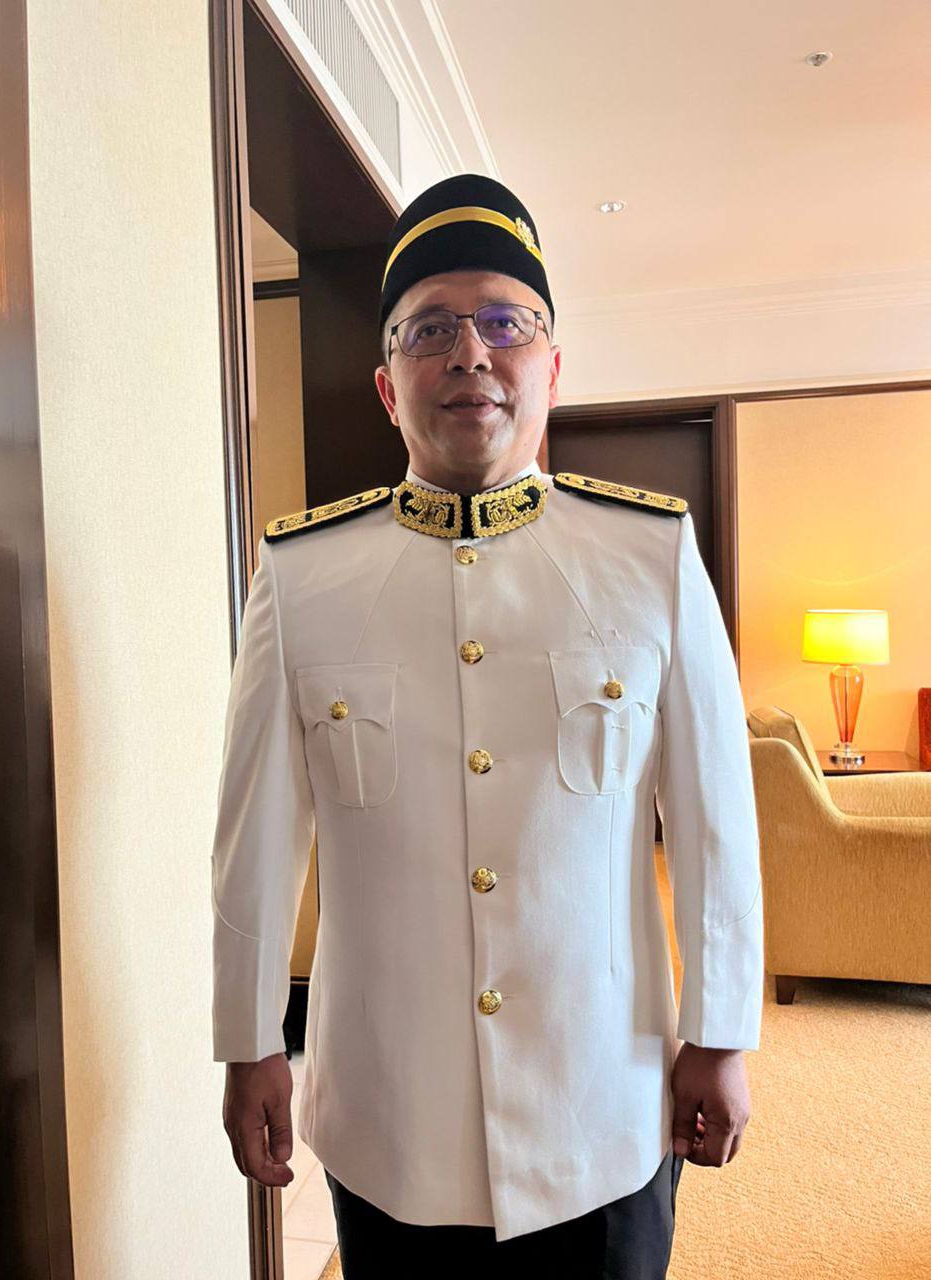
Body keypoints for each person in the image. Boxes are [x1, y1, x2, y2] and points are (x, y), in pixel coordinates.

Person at [211, 173, 764, 1278]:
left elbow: (715, 819)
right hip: (390, 1121)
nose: (470, 352)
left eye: (506, 322)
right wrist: (248, 1037)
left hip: (598, 1106)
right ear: (388, 387)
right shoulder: (303, 577)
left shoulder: (649, 557)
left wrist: (720, 1032)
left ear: (551, 369)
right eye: (431, 329)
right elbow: (255, 839)